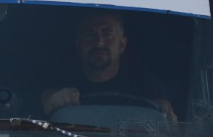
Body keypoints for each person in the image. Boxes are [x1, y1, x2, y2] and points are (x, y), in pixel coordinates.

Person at [41, 9, 174, 119]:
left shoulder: (146, 84)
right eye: (89, 34)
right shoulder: (62, 81)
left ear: (122, 44)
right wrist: (56, 100)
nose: (99, 42)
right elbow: (48, 100)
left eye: (107, 34)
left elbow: (165, 117)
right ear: (78, 45)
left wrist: (164, 111)